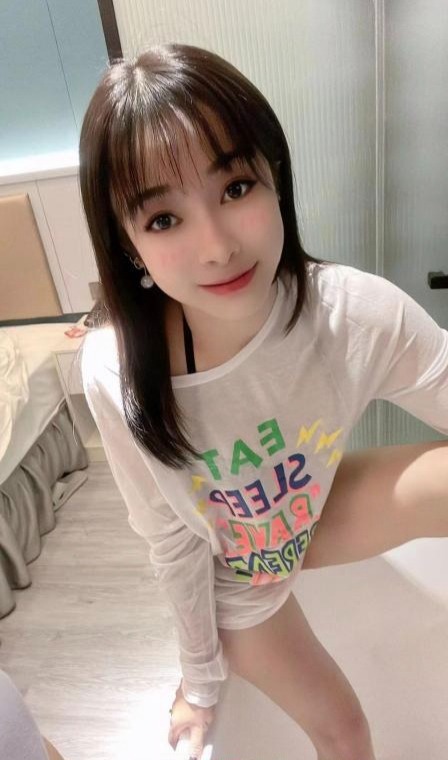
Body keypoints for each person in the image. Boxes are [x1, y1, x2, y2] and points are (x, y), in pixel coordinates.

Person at [76, 42, 448, 760]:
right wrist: (199, 680)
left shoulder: (352, 312)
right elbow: (172, 538)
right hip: (240, 575)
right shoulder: (116, 372)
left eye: (236, 187)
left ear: (275, 178)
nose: (217, 246)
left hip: (315, 513)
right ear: (127, 246)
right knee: (344, 731)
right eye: (163, 220)